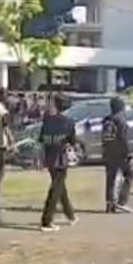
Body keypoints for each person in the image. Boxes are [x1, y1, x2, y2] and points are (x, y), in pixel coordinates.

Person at [39, 93, 77, 232]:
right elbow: (72, 141)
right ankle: (47, 220)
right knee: (56, 189)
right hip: (60, 159)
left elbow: (42, 140)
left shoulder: (47, 121)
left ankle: (70, 214)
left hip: (50, 159)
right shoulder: (68, 122)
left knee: (60, 187)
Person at [102, 95, 133, 213]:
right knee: (129, 175)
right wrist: (129, 154)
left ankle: (109, 203)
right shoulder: (121, 120)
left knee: (110, 178)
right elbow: (123, 139)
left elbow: (104, 138)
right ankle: (122, 202)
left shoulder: (107, 120)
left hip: (108, 152)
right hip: (120, 153)